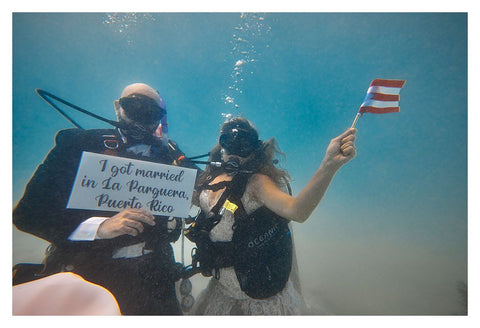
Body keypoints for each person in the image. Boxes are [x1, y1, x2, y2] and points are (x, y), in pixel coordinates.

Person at [13, 83, 199, 315]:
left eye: (150, 112)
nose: (141, 118)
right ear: (117, 107)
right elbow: (27, 215)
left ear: (161, 119)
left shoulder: (170, 155)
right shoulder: (77, 145)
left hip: (156, 275)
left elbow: (199, 187)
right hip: (90, 271)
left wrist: (193, 194)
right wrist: (98, 228)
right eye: (133, 106)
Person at [188, 117, 356, 315]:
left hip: (260, 297)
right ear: (221, 145)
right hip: (222, 292)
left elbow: (297, 211)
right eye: (229, 143)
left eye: (243, 144)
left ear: (254, 149)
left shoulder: (257, 183)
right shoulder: (209, 179)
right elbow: (174, 201)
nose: (235, 152)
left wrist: (329, 166)